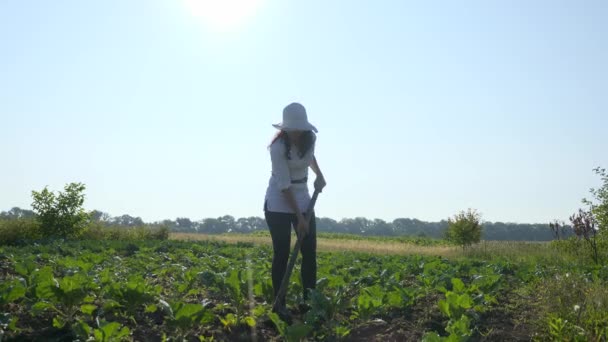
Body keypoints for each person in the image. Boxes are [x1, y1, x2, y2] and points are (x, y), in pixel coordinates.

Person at [264, 102, 326, 318]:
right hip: (279, 201)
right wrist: (300, 218)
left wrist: (319, 174)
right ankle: (279, 304)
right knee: (281, 253)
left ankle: (309, 302)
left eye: (300, 128)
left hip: (302, 195)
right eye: (292, 129)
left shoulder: (311, 139)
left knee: (309, 252)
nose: (297, 133)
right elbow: (284, 186)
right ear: (285, 129)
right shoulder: (277, 148)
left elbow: (309, 158)